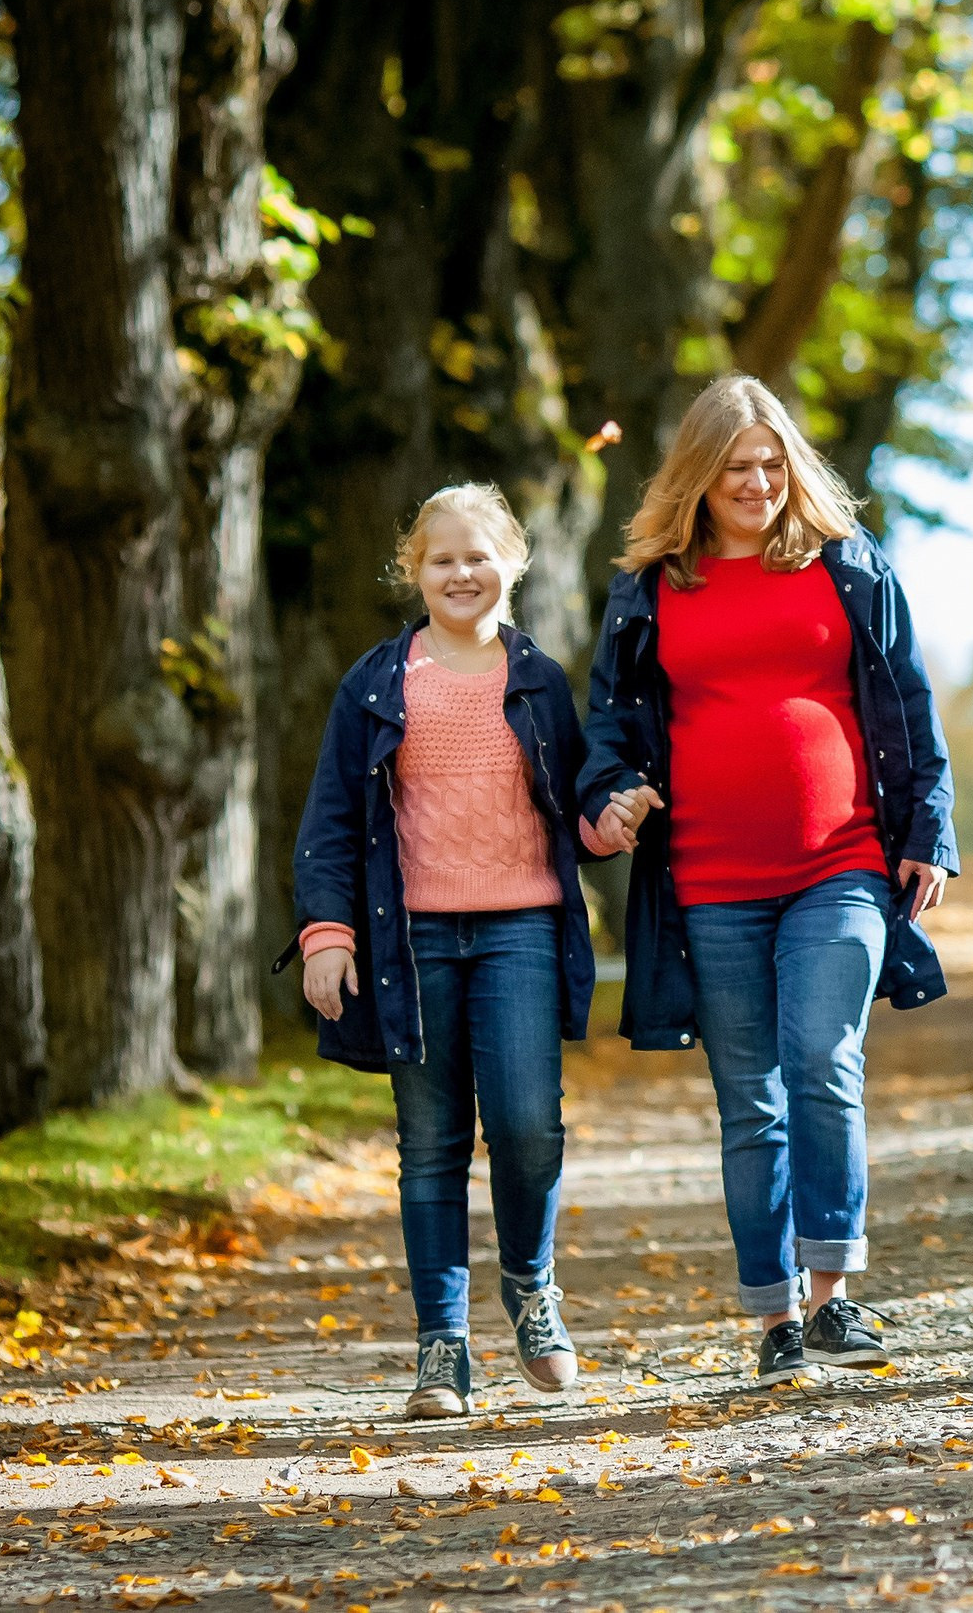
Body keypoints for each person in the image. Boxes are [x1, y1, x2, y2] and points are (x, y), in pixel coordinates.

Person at [579, 373, 956, 1386]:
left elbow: (910, 707)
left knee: (820, 1060)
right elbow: (609, 728)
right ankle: (775, 1317)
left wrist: (930, 831)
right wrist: (613, 796)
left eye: (771, 462)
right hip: (709, 876)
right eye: (735, 466)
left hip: (842, 862)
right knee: (750, 1101)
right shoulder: (653, 588)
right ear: (697, 478)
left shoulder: (848, 566)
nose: (756, 481)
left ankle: (834, 1295)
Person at [289, 484, 601, 1419]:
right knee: (430, 1143)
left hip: (520, 931)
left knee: (525, 1126)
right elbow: (333, 819)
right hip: (412, 939)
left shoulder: (540, 681)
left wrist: (610, 818)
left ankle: (531, 1286)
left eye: (477, 556)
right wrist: (327, 934)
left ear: (513, 562)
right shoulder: (379, 684)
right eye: (441, 559)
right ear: (414, 571)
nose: (461, 573)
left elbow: (576, 804)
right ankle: (443, 1346)